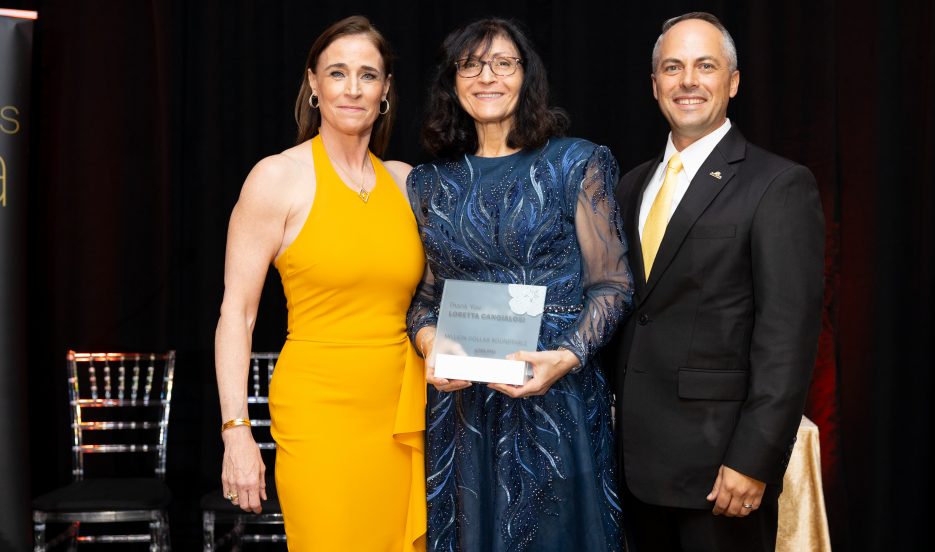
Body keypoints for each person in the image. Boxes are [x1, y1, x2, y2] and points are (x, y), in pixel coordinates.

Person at [407, 17, 632, 552]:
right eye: (471, 65)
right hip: (463, 408)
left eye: (504, 63)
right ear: (453, 81)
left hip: (556, 396)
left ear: (526, 76)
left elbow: (613, 285)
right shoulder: (427, 183)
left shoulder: (578, 162)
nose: (488, 77)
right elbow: (424, 299)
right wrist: (430, 342)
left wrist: (567, 356)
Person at [611, 11, 825, 552]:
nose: (688, 81)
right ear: (654, 83)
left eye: (705, 66)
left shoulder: (777, 184)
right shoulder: (630, 185)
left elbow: (788, 337)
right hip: (630, 466)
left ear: (732, 82)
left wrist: (753, 459)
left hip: (719, 472)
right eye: (672, 67)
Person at [213, 16, 425, 551]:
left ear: (385, 91)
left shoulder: (406, 183)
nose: (352, 88)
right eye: (337, 73)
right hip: (319, 414)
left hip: (402, 412)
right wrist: (236, 430)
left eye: (368, 75)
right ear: (313, 84)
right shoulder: (275, 178)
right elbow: (236, 315)